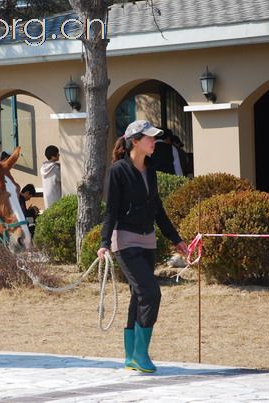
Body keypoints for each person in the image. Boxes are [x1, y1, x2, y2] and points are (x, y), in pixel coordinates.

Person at [97, 120, 188, 373]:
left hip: (148, 241)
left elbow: (158, 209)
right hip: (124, 241)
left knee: (139, 296)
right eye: (149, 137)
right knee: (150, 293)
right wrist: (104, 244)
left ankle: (130, 357)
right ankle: (140, 354)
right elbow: (111, 211)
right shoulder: (117, 171)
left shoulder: (150, 169)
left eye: (155, 137)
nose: (154, 141)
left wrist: (176, 239)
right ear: (135, 141)